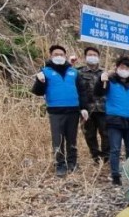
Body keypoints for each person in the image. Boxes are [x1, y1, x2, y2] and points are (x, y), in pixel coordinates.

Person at [94, 57, 129, 185]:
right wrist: (101, 80)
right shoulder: (110, 80)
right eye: (122, 68)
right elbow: (98, 92)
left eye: (127, 68)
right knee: (115, 149)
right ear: (116, 68)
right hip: (115, 120)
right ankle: (115, 175)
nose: (124, 70)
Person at [31, 45, 81, 177]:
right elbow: (37, 92)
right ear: (51, 56)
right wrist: (40, 81)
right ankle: (60, 165)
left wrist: (84, 108)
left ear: (65, 56)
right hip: (56, 111)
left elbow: (82, 91)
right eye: (56, 54)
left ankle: (72, 163)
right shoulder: (45, 71)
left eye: (61, 54)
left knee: (72, 139)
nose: (59, 56)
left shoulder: (73, 72)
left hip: (73, 110)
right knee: (57, 139)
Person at [77, 47, 109, 163]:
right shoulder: (79, 72)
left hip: (103, 108)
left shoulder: (104, 73)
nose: (92, 57)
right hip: (87, 109)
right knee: (89, 135)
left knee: (106, 133)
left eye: (95, 55)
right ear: (85, 57)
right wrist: (80, 108)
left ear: (99, 57)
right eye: (90, 54)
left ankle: (106, 156)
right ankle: (95, 156)